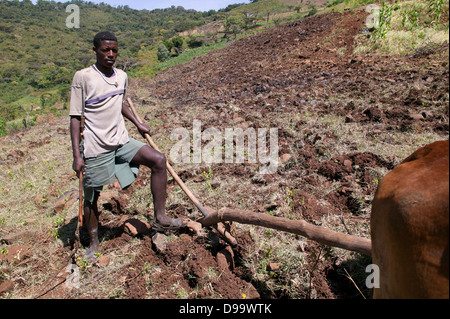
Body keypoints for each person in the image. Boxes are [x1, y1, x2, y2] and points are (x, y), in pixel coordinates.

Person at [70, 31, 187, 261]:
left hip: (121, 140)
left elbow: (119, 102)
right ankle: (93, 242)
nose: (111, 54)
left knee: (158, 160)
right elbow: (75, 118)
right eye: (105, 50)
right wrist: (77, 155)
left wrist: (137, 122)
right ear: (95, 51)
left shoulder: (121, 76)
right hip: (96, 145)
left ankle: (161, 217)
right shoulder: (82, 78)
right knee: (92, 195)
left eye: (114, 50)